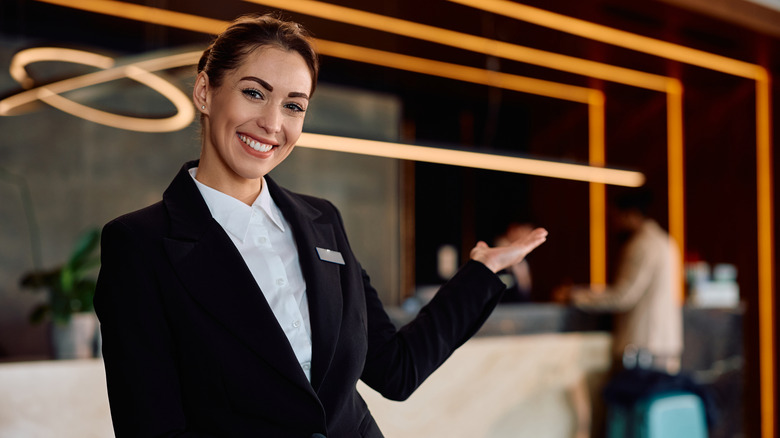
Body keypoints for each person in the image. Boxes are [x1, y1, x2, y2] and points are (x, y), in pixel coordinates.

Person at [94, 13, 548, 438]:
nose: (272, 123)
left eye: (294, 105)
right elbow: (150, 426)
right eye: (254, 92)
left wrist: (481, 274)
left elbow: (395, 368)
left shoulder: (322, 221)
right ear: (204, 92)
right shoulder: (139, 244)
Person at [561, 189, 683, 374]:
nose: (614, 223)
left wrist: (575, 296)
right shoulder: (665, 241)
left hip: (642, 346)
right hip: (664, 344)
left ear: (631, 215)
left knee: (633, 401)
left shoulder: (641, 245)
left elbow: (623, 296)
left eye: (617, 217)